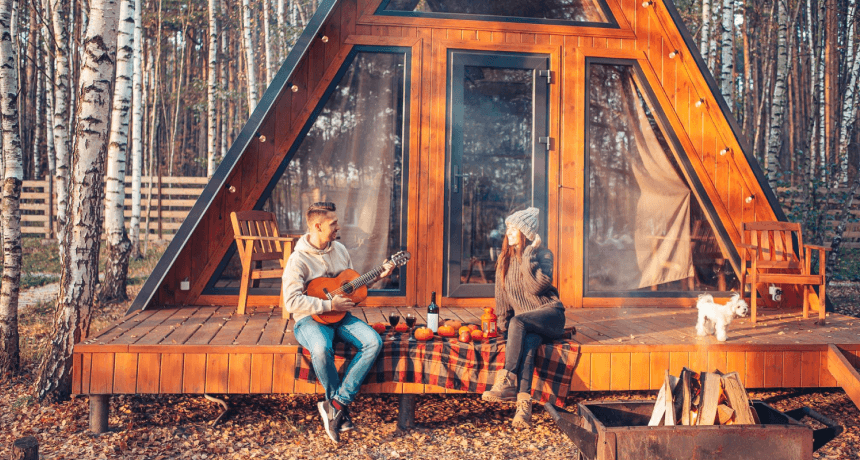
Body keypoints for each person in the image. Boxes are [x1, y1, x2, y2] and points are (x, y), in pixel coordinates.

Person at [282, 202, 394, 443]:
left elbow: (352, 288)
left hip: (341, 316)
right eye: (333, 224)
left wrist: (377, 277)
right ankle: (336, 409)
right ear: (317, 226)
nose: (338, 227)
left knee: (373, 342)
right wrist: (327, 305)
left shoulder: (340, 249)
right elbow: (291, 302)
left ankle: (337, 402)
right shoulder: (298, 259)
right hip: (309, 319)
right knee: (322, 349)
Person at [481, 207, 567, 428]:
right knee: (527, 345)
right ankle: (523, 407)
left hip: (551, 315)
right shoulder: (504, 260)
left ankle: (507, 376)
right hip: (526, 326)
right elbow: (502, 299)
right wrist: (503, 329)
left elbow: (537, 286)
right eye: (508, 228)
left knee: (517, 322)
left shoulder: (543, 255)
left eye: (514, 228)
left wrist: (528, 255)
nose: (508, 232)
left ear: (525, 234)